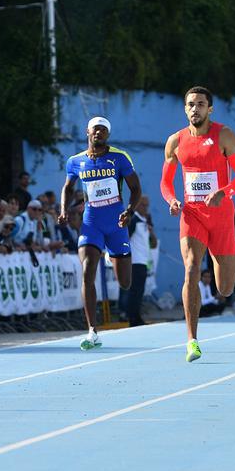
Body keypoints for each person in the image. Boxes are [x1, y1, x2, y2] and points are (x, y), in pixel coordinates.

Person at [161, 86, 235, 362]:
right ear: (185, 108)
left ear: (209, 109)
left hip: (222, 217)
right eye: (190, 104)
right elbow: (166, 182)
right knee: (190, 267)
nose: (195, 109)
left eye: (200, 104)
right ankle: (192, 340)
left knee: (225, 288)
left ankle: (217, 265)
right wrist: (172, 200)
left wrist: (224, 191)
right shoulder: (175, 142)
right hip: (193, 216)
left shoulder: (224, 135)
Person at [60, 116, 142, 350]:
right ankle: (92, 330)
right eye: (96, 129)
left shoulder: (119, 157)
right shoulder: (75, 161)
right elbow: (67, 187)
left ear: (108, 135)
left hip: (116, 223)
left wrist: (129, 211)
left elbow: (135, 189)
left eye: (103, 130)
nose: (99, 133)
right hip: (91, 223)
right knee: (87, 271)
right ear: (87, 131)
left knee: (125, 283)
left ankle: (111, 254)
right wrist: (64, 210)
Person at [125, 196, 154, 327]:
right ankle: (133, 318)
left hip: (144, 261)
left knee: (140, 290)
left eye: (147, 205)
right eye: (143, 205)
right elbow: (126, 238)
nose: (146, 208)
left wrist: (151, 231)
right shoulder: (134, 220)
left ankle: (137, 316)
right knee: (134, 291)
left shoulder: (145, 221)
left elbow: (153, 244)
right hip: (135, 261)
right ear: (136, 205)